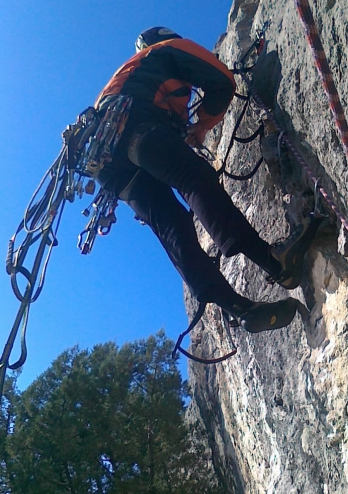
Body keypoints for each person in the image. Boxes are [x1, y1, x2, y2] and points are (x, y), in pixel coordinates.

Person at [95, 27, 313, 333]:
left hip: (108, 161)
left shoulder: (126, 79)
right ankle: (275, 261)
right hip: (137, 126)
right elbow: (221, 79)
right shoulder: (165, 51)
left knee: (172, 226)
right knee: (193, 179)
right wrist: (202, 127)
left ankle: (237, 307)